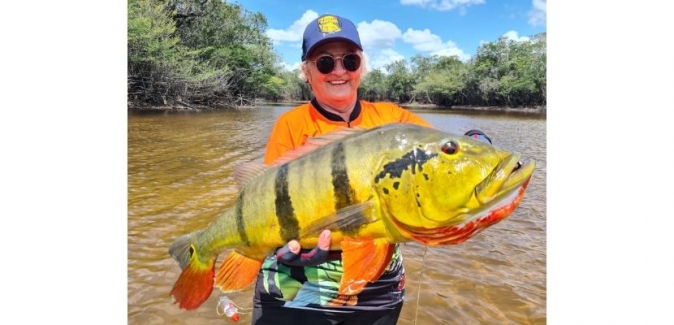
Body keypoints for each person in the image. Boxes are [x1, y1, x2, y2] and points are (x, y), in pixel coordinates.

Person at [252, 14, 491, 325]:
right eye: (325, 63)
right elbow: (269, 205)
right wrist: (283, 248)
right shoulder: (290, 125)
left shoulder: (394, 120)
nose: (339, 71)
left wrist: (478, 143)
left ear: (361, 68)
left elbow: (442, 152)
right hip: (299, 282)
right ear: (306, 72)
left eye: (349, 61)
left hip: (378, 285)